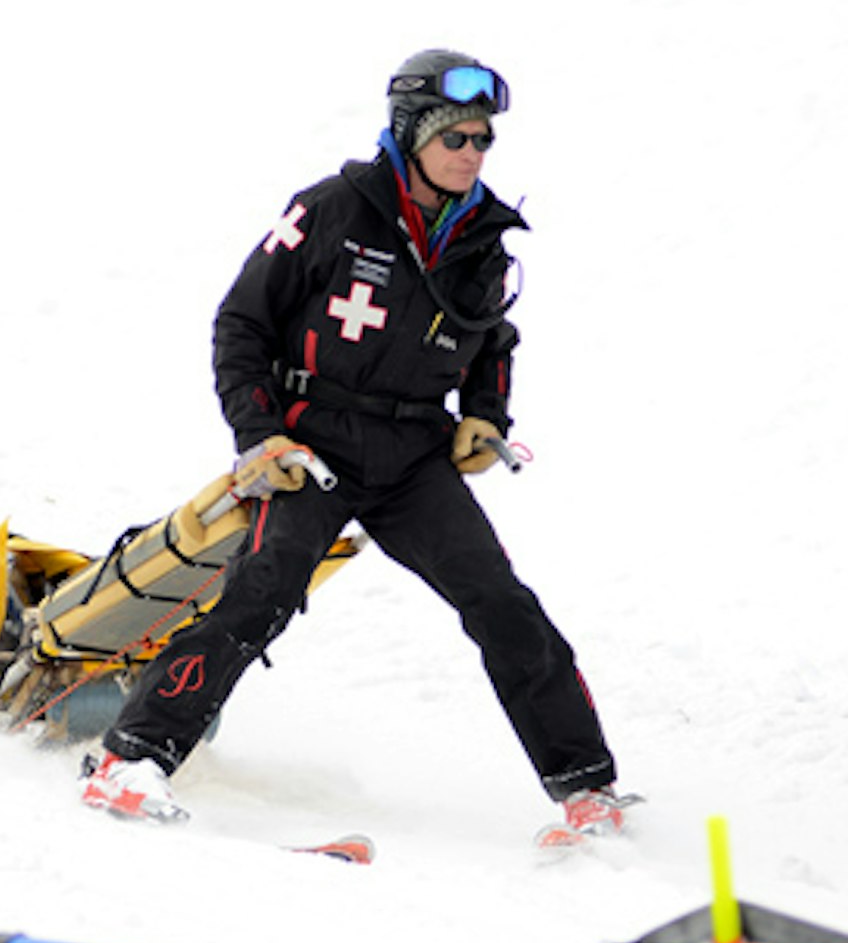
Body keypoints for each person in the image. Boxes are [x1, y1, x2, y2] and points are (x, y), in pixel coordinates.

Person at [81, 48, 631, 843]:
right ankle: (129, 760)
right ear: (411, 134)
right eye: (454, 137)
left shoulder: (482, 237)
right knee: (261, 591)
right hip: (312, 446)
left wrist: (486, 414)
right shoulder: (332, 210)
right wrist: (260, 436)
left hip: (414, 455)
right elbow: (242, 324)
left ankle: (587, 791)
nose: (472, 153)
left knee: (500, 601)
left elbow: (493, 340)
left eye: (482, 139)